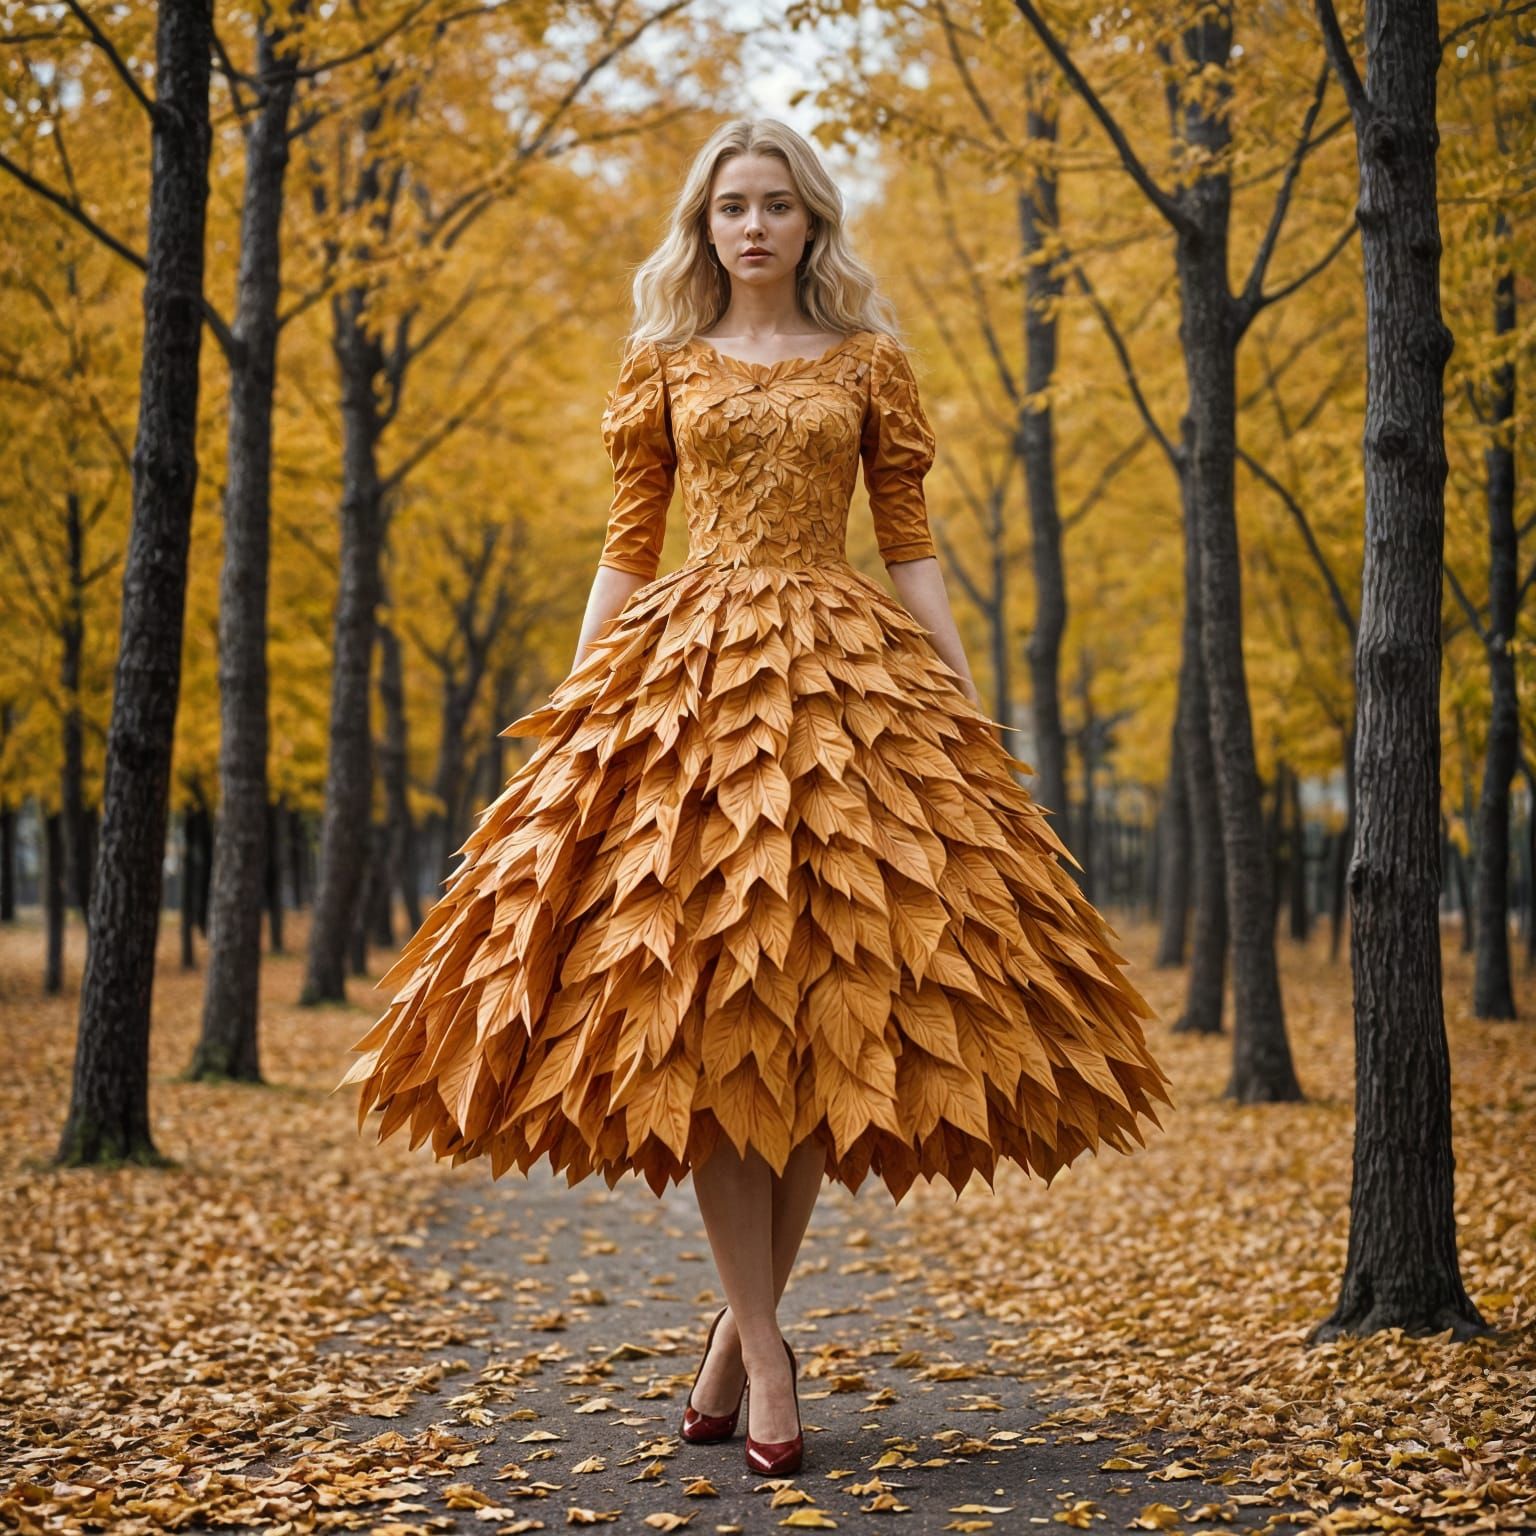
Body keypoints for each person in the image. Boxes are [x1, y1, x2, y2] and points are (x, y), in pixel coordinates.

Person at [339, 117, 1173, 1478]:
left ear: (811, 221)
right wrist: (573, 707)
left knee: (821, 1016)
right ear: (705, 222)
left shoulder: (869, 364)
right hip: (691, 687)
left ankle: (735, 1340)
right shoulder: (661, 363)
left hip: (851, 686)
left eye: (777, 203)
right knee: (717, 1018)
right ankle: (770, 1350)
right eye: (731, 204)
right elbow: (627, 547)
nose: (753, 225)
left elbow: (910, 547)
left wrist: (960, 701)